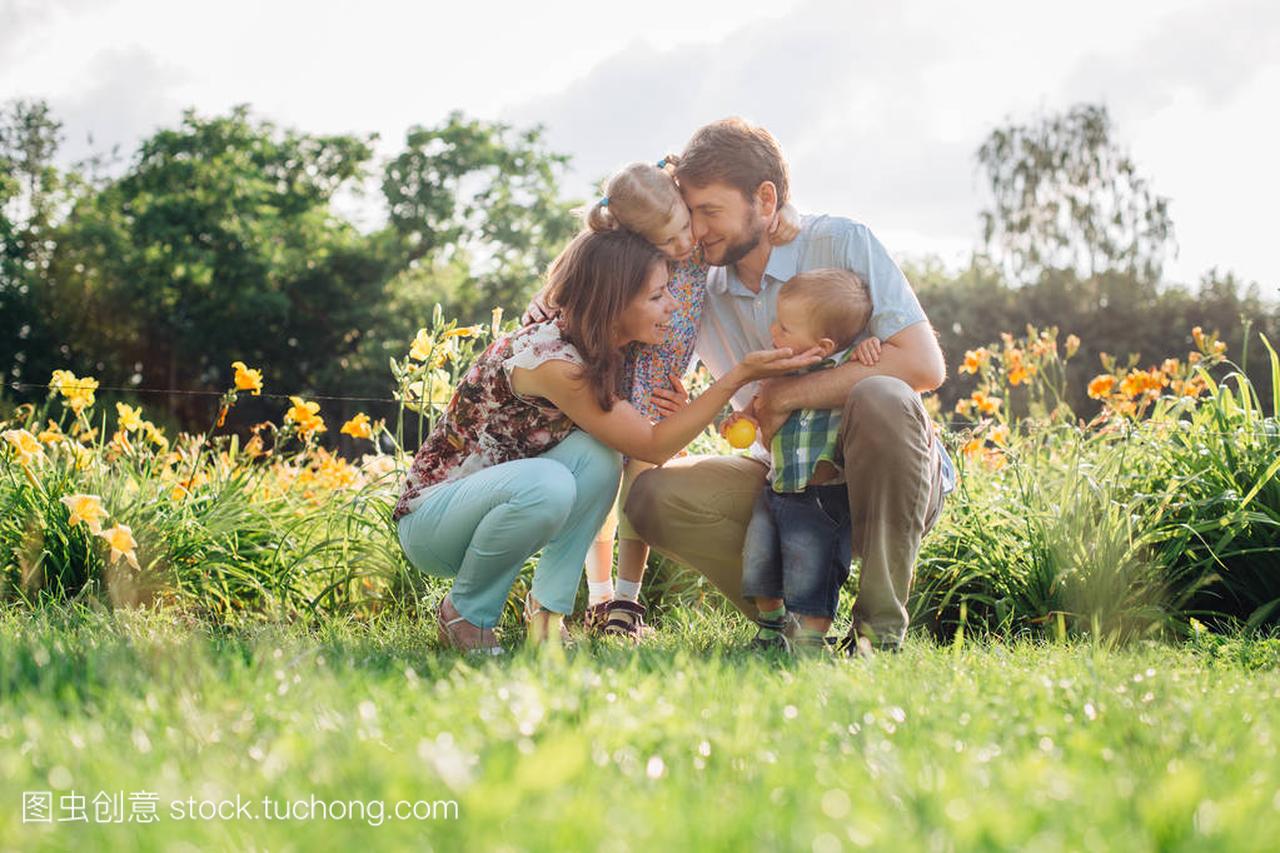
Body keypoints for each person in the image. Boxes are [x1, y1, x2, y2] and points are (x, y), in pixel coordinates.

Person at [395, 227, 820, 654]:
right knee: (550, 483)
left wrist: (684, 405)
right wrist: (739, 376)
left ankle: (547, 616)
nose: (672, 305)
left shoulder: (593, 348)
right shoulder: (555, 362)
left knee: (599, 458)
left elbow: (642, 438)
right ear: (614, 303)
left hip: (489, 503)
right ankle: (467, 614)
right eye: (657, 297)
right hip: (433, 522)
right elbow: (650, 446)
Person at [625, 117, 956, 654]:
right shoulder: (696, 288)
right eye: (691, 213)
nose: (698, 229)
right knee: (654, 497)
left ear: (764, 198)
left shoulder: (841, 242)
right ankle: (792, 627)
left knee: (884, 394)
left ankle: (877, 635)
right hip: (786, 481)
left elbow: (923, 366)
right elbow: (630, 226)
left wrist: (786, 394)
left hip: (883, 476)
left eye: (710, 211)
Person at [527, 159, 798, 641]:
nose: (682, 243)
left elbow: (748, 219)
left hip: (660, 382)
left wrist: (787, 212)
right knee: (601, 484)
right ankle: (598, 595)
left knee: (642, 480)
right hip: (612, 372)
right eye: (668, 240)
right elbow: (576, 281)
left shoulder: (698, 244)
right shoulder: (628, 251)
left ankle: (626, 602)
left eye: (683, 227)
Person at [723, 268, 881, 653]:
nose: (774, 331)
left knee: (814, 565)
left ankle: (811, 641)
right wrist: (740, 418)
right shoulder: (777, 372)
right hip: (776, 487)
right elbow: (755, 412)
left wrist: (867, 350)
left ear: (825, 345)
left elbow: (872, 379)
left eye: (785, 328)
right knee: (761, 559)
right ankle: (770, 629)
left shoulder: (845, 371)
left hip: (822, 494)